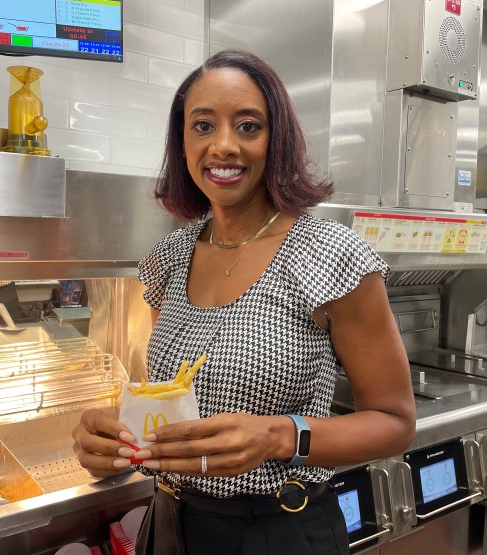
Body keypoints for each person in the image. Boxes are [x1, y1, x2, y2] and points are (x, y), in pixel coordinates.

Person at [73, 49, 415, 554]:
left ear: (277, 141)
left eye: (249, 126)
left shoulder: (328, 254)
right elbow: (175, 393)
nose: (224, 146)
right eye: (203, 125)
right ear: (182, 142)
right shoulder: (169, 256)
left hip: (276, 528)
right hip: (170, 522)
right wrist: (108, 434)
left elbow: (395, 422)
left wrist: (280, 437)